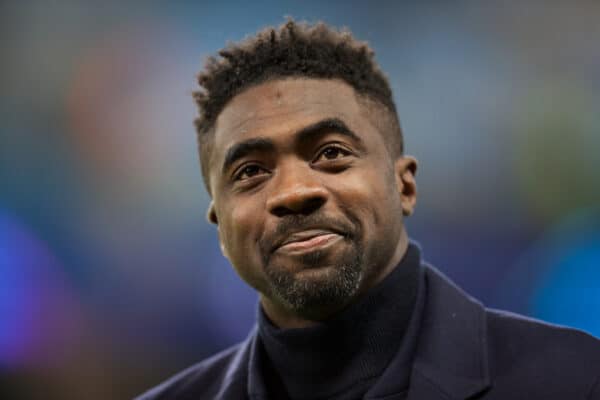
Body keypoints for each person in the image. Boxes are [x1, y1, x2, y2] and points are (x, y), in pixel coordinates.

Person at [136, 20, 600, 400]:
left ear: (404, 185)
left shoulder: (575, 380)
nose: (294, 191)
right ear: (218, 224)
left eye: (332, 153)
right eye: (252, 171)